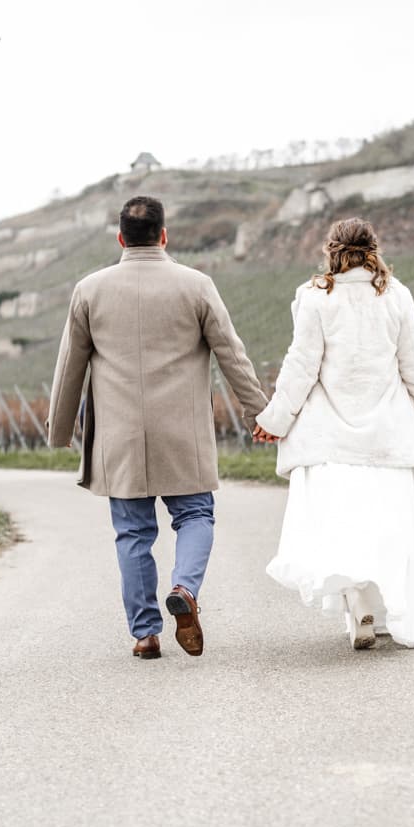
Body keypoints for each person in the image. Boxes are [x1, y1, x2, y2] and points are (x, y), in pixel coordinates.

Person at [253, 217, 414, 649]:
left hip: (331, 439)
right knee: (390, 527)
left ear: (331, 250)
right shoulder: (396, 296)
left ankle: (361, 609)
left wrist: (274, 421)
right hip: (389, 436)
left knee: (343, 528)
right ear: (374, 248)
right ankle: (393, 609)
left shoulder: (314, 298)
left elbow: (300, 369)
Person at [47, 196, 268, 659]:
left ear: (121, 238)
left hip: (119, 435)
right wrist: (259, 413)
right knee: (195, 515)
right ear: (164, 236)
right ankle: (185, 590)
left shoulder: (89, 289)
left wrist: (60, 429)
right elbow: (233, 355)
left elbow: (71, 366)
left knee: (133, 534)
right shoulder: (197, 285)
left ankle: (145, 634)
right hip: (182, 432)